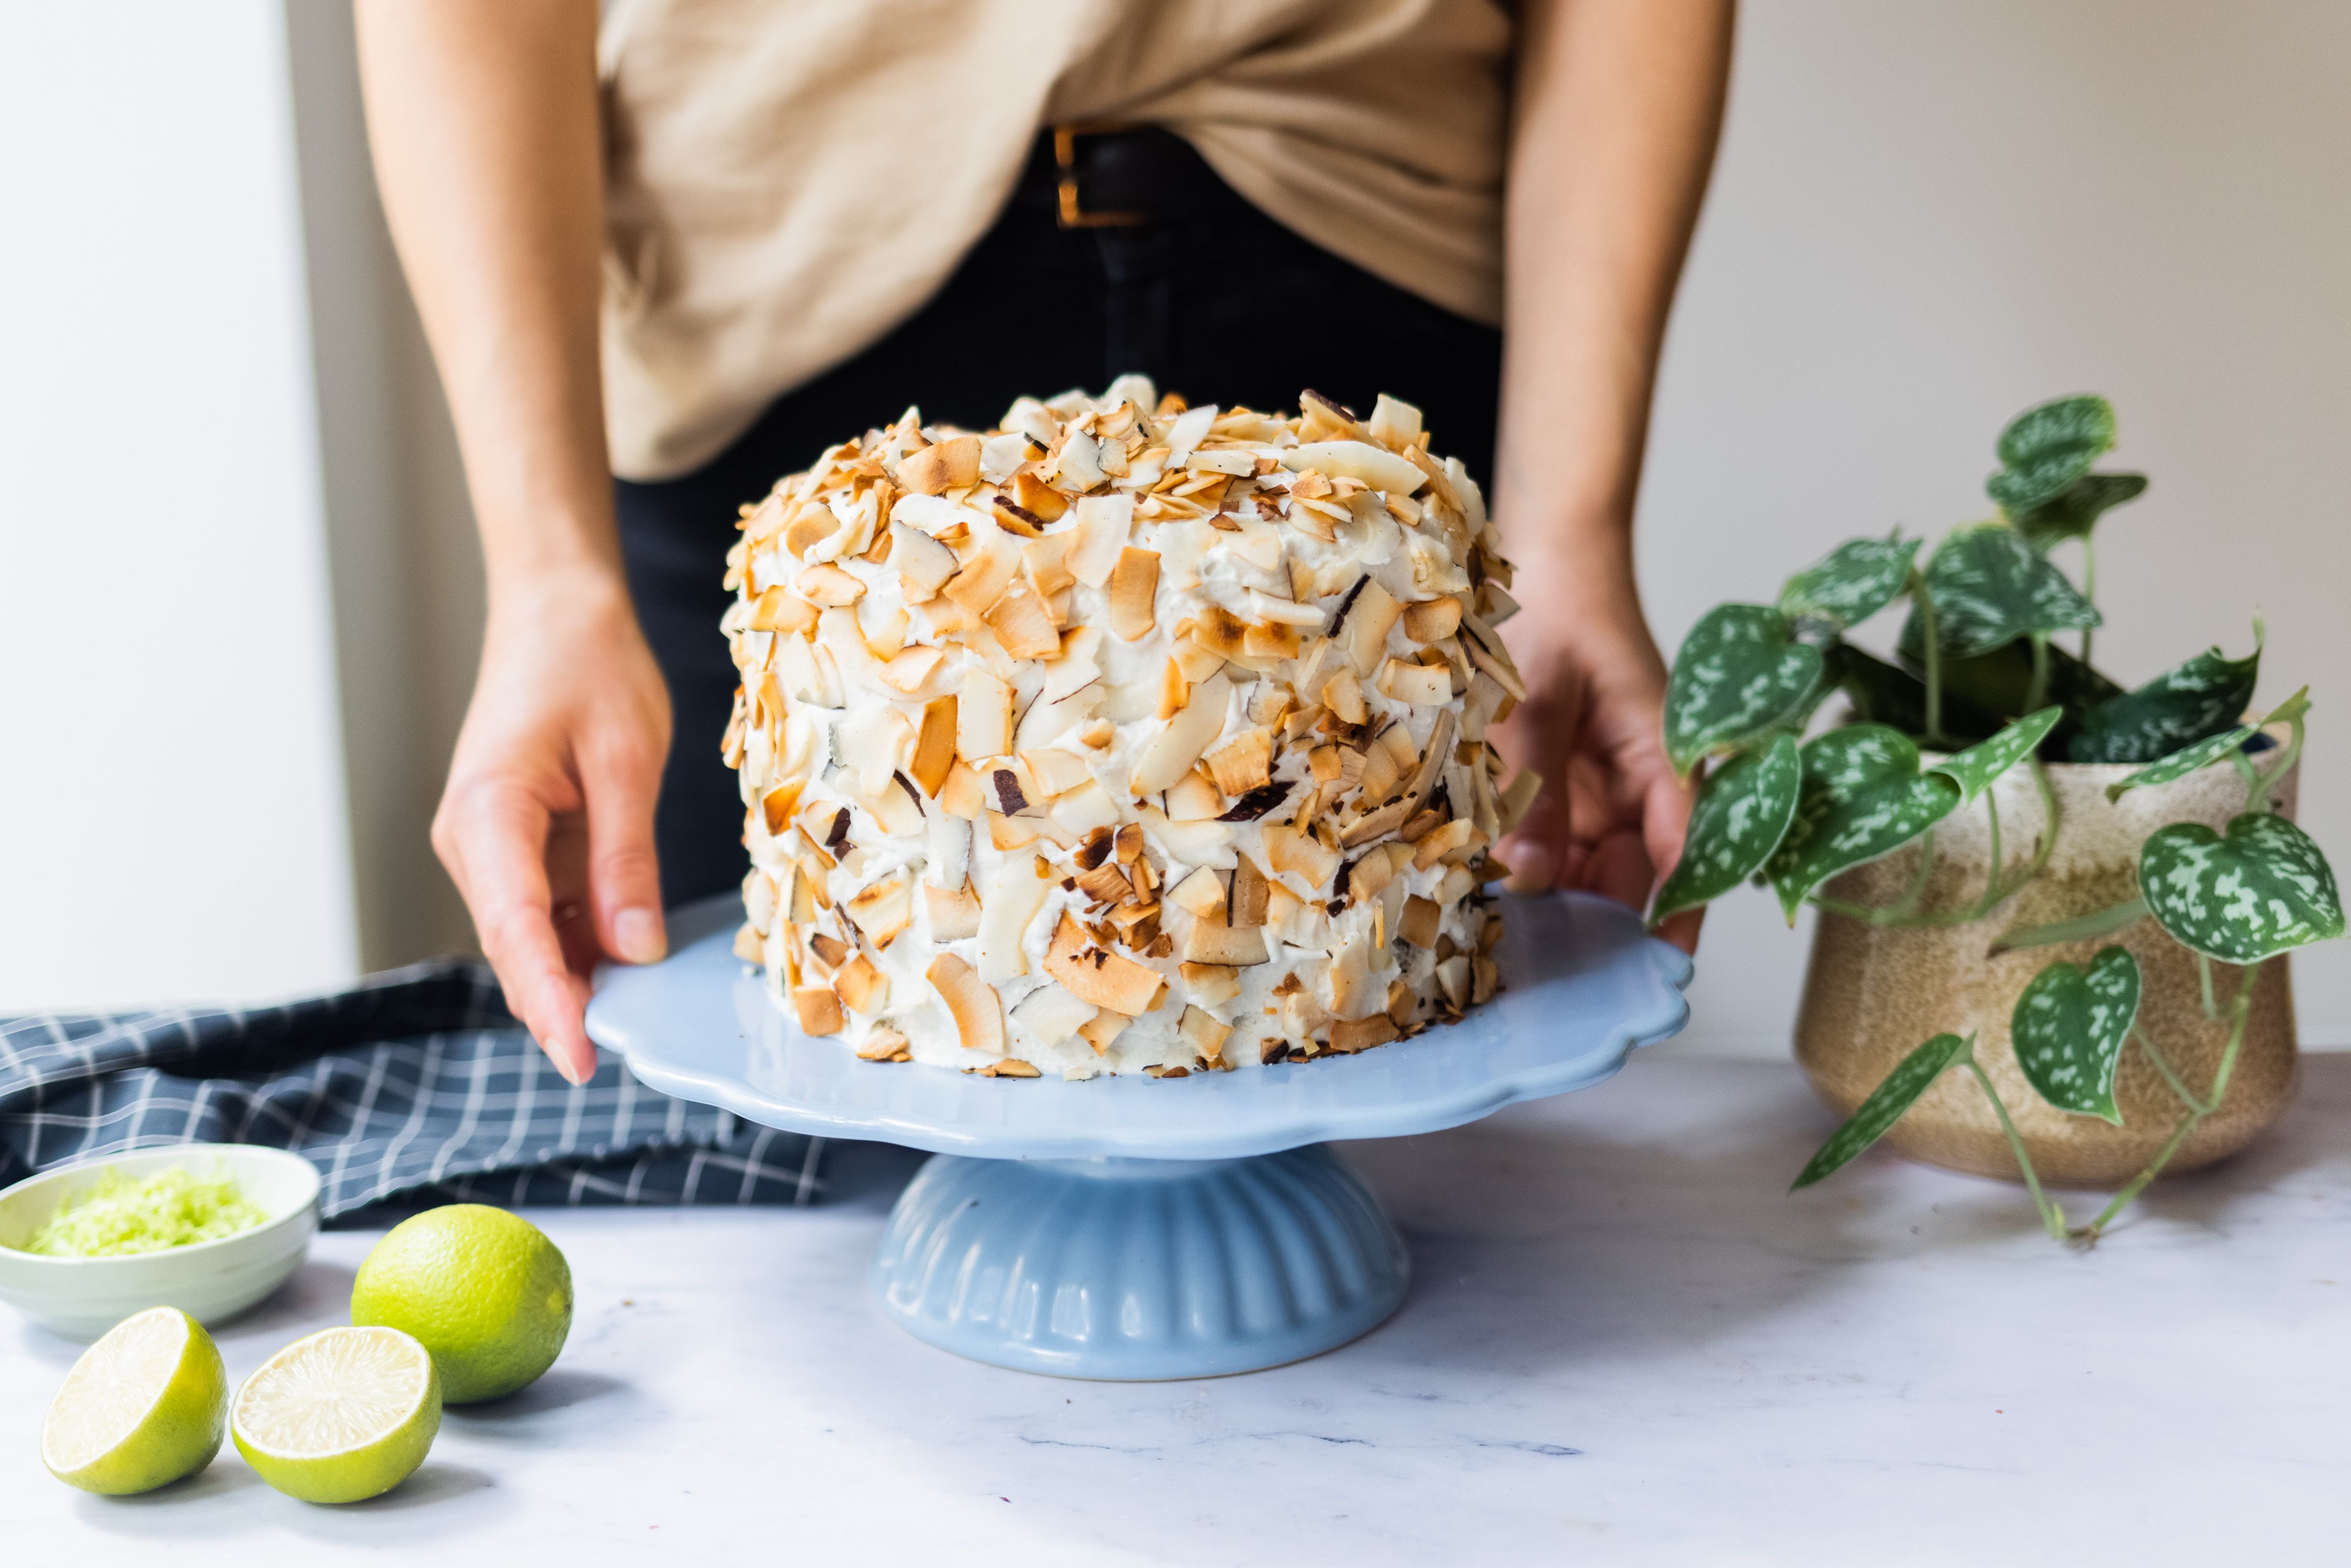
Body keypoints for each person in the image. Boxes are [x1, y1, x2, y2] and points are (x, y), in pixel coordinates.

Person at [356, 0, 1730, 1084]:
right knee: (782, 1225)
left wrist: (1567, 521)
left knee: (1467, 1267)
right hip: (785, 371)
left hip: (1360, 317)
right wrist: (545, 571)